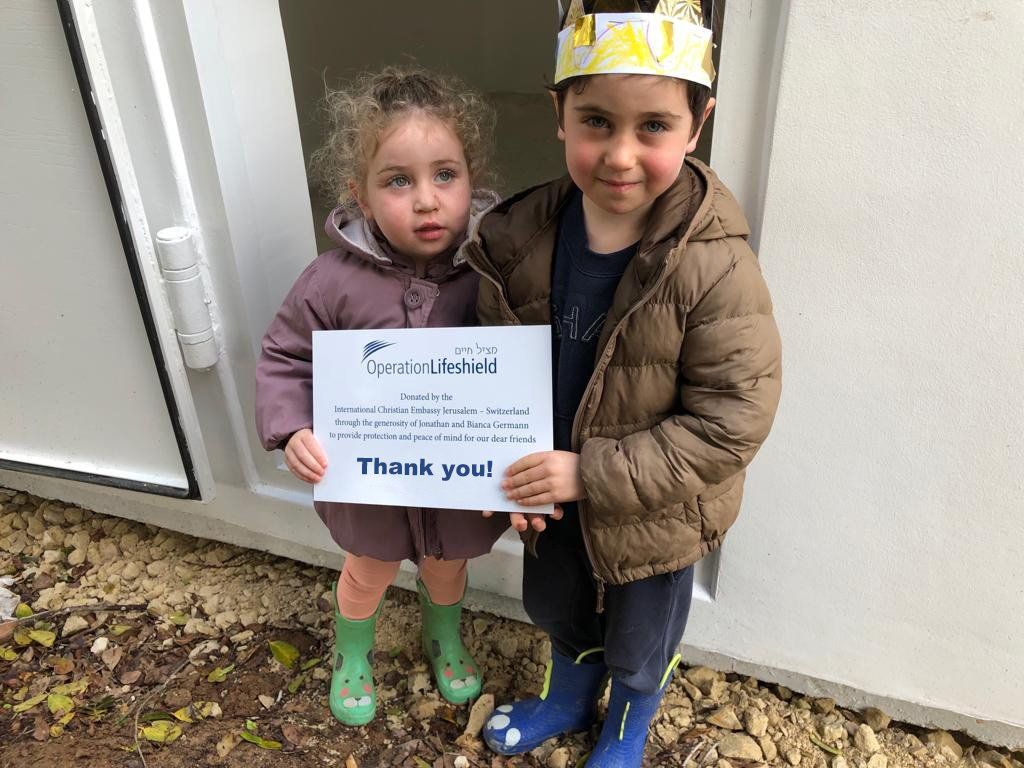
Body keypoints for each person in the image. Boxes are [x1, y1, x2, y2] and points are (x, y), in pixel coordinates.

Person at [463, 1, 783, 764]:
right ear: (560, 114)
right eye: (597, 121)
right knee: (558, 606)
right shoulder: (518, 237)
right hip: (548, 494)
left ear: (696, 124)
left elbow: (732, 419)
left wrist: (592, 472)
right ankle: (569, 697)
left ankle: (628, 720)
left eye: (654, 128)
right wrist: (494, 458)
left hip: (657, 512)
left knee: (642, 633)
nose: (620, 154)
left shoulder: (716, 265)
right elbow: (484, 364)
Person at [254, 66, 505, 727]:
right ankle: (353, 653)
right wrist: (292, 427)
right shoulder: (331, 279)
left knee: (447, 568)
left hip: (457, 478)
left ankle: (442, 635)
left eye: (444, 175)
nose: (426, 200)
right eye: (398, 181)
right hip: (370, 480)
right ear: (360, 197)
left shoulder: (495, 269)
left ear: (470, 181)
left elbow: (522, 362)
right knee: (366, 570)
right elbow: (285, 355)